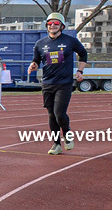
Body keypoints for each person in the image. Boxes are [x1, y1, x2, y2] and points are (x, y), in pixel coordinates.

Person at [27, 12, 88, 155]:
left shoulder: (70, 41)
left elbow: (83, 53)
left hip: (64, 83)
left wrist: (80, 71)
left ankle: (67, 135)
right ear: (47, 26)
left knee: (59, 113)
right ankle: (56, 144)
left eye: (56, 23)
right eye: (50, 23)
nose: (52, 26)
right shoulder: (40, 44)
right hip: (48, 83)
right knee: (51, 115)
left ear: (61, 26)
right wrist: (33, 65)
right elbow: (36, 60)